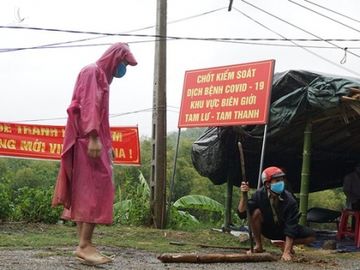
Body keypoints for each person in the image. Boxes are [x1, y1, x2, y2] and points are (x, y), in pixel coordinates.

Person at [52, 42, 137, 266]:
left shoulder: (99, 76)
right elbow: (88, 105)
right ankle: (84, 245)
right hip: (87, 140)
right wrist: (93, 136)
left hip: (91, 139)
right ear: (115, 58)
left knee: (86, 190)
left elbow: (99, 113)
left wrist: (107, 142)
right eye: (123, 63)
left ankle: (84, 244)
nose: (123, 69)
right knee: (96, 190)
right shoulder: (93, 72)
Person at [237, 166, 315, 261]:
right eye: (277, 180)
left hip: (283, 230)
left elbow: (291, 225)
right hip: (268, 229)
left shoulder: (290, 200)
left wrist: (286, 252)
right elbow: (242, 213)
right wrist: (243, 195)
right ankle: (258, 246)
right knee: (255, 213)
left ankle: (286, 245)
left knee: (311, 235)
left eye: (282, 180)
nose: (281, 183)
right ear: (267, 184)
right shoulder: (259, 195)